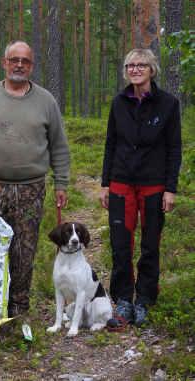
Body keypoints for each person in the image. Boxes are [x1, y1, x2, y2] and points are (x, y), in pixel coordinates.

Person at [0, 41, 70, 318]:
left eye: (25, 61)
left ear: (32, 66)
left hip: (31, 188)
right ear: (4, 62)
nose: (19, 65)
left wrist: (61, 182)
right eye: (14, 59)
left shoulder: (46, 101)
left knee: (24, 252)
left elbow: (59, 145)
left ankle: (18, 310)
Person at [100, 48, 182, 328]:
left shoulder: (168, 104)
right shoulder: (118, 102)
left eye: (141, 65)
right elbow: (111, 144)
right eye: (130, 66)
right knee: (121, 244)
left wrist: (170, 189)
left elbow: (174, 148)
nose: (135, 70)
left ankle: (144, 299)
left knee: (150, 245)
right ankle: (123, 300)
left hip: (153, 183)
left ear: (152, 69)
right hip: (121, 181)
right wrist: (104, 184)